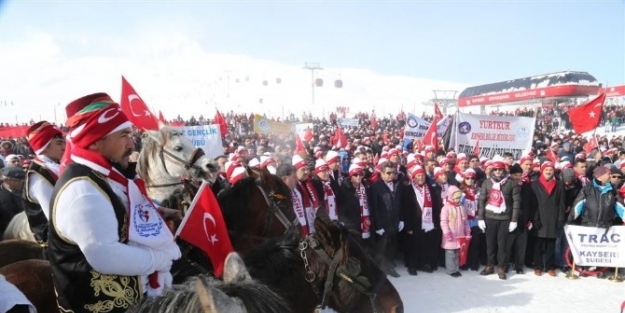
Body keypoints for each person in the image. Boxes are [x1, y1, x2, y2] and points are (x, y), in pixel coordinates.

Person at [48, 94, 181, 312]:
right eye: (124, 135)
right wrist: (162, 258)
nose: (132, 143)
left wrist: (157, 211)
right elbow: (105, 256)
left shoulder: (103, 176)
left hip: (137, 296)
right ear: (96, 141)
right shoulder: (82, 190)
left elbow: (117, 210)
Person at [477, 156, 520, 280]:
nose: (498, 172)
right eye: (495, 170)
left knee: (503, 245)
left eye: (500, 170)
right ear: (492, 170)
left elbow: (516, 202)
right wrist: (480, 218)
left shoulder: (510, 182)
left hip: (505, 218)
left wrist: (514, 220)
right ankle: (490, 265)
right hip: (490, 217)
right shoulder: (487, 182)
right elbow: (482, 201)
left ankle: (501, 266)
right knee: (490, 243)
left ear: (504, 170)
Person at [22, 121, 65, 244]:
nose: (64, 147)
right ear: (44, 147)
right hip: (54, 240)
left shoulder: (54, 166)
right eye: (59, 143)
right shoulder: (39, 175)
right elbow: (55, 216)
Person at [530, 161, 566, 277]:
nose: (549, 172)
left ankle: (550, 266)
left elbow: (562, 203)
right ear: (542, 170)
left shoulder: (559, 184)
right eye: (546, 170)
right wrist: (535, 218)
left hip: (553, 217)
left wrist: (561, 219)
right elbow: (533, 204)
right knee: (538, 245)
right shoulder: (535, 184)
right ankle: (538, 266)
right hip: (540, 217)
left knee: (551, 244)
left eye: (550, 170)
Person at [369, 161, 402, 277]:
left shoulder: (398, 185)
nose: (391, 175)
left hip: (394, 220)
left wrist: (401, 219)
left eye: (393, 173)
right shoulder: (375, 187)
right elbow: (374, 207)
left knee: (392, 244)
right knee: (383, 246)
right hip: (383, 222)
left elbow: (400, 203)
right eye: (388, 173)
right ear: (382, 173)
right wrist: (378, 226)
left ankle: (390, 263)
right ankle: (385, 268)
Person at [440, 186, 470, 277]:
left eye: (459, 197)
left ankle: (456, 269)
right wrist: (446, 233)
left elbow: (465, 221)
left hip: (460, 236)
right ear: (450, 197)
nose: (458, 200)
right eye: (456, 198)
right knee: (450, 254)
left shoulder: (462, 207)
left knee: (457, 253)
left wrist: (467, 232)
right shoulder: (446, 208)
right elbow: (443, 222)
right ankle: (451, 270)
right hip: (450, 235)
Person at [0, 166, 26, 240]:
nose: (22, 183)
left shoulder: (23, 192)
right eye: (18, 180)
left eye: (23, 180)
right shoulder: (1, 196)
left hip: (23, 233)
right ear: (6, 180)